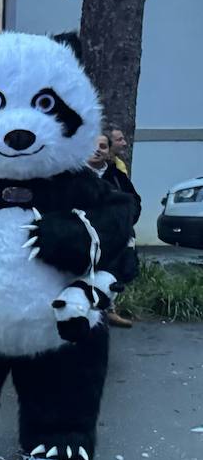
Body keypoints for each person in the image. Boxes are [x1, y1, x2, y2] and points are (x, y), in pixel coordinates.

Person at [87, 133, 141, 328]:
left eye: (102, 146)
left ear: (109, 151)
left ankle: (109, 310)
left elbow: (134, 201)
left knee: (113, 272)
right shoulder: (74, 176)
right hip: (84, 233)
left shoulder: (117, 177)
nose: (97, 150)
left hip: (113, 234)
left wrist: (125, 221)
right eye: (92, 145)